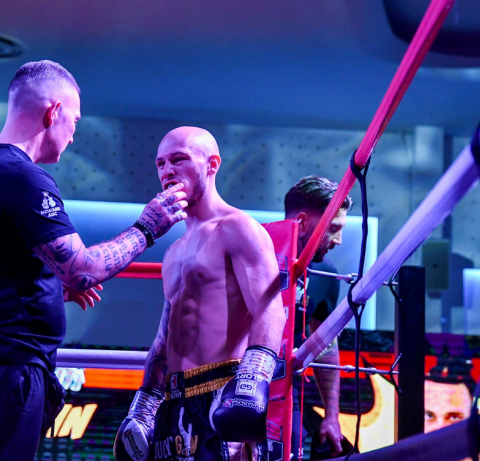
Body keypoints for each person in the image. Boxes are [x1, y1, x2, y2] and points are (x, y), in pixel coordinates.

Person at [0, 60, 188, 461]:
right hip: (3, 365)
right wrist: (147, 227)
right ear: (53, 112)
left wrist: (49, 288)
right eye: (74, 120)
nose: (73, 134)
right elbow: (84, 269)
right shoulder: (21, 176)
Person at [114, 126, 286, 461]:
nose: (168, 171)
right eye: (161, 163)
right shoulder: (173, 252)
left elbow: (270, 308)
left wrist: (252, 380)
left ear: (212, 164)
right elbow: (165, 335)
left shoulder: (237, 227)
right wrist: (144, 406)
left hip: (222, 392)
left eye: (179, 159)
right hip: (173, 401)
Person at [284, 176, 353, 460]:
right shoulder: (251, 254)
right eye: (333, 229)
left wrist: (332, 415)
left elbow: (325, 344)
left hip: (286, 394)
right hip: (228, 387)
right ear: (302, 222)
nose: (338, 241)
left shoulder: (326, 272)